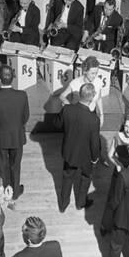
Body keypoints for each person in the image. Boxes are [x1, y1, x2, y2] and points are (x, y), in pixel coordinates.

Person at [0, 65, 30, 200]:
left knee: (1, 166)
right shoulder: (22, 95)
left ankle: (2, 192)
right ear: (13, 78)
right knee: (15, 166)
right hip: (16, 137)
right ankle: (14, 192)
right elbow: (25, 117)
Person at [53, 83, 100, 212]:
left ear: (80, 94)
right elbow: (95, 143)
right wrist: (95, 158)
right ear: (92, 97)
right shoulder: (93, 119)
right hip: (86, 156)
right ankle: (81, 203)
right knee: (85, 178)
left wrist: (62, 111)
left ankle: (63, 205)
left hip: (70, 153)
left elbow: (57, 124)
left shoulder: (67, 109)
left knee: (67, 177)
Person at [59, 55, 104, 127]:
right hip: (77, 117)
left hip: (91, 115)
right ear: (85, 71)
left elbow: (99, 98)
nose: (94, 76)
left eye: (96, 73)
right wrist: (68, 106)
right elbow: (62, 96)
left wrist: (101, 115)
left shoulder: (98, 82)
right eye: (92, 73)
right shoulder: (75, 83)